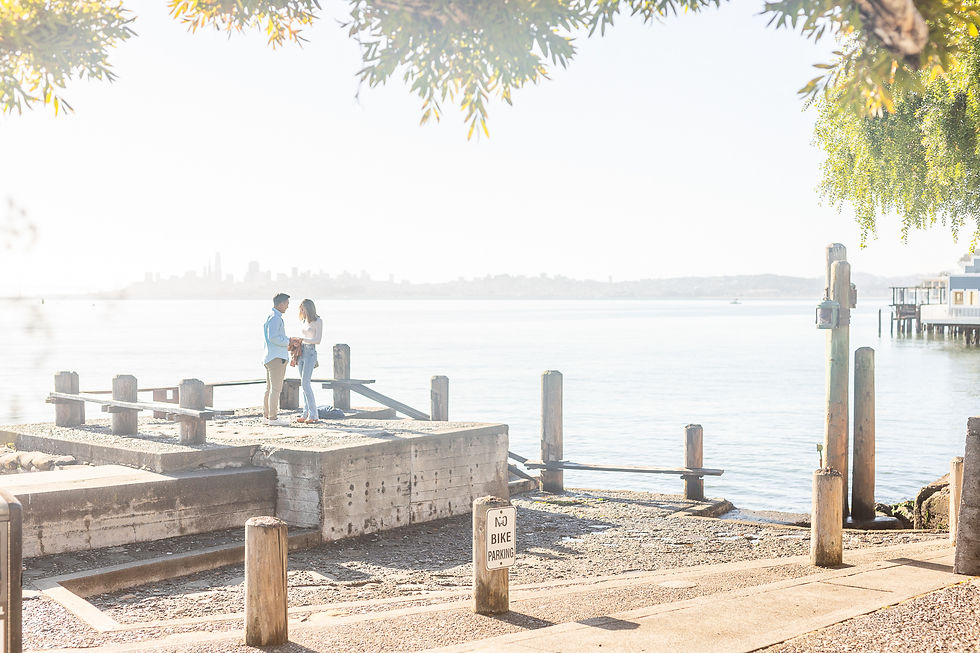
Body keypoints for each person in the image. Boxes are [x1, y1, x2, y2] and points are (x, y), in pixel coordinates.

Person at [263, 292, 291, 426]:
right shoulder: (275, 318)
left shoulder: (271, 316)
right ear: (280, 304)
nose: (287, 306)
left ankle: (267, 416)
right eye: (286, 304)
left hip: (270, 356)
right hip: (276, 358)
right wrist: (289, 341)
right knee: (275, 389)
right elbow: (273, 337)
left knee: (269, 389)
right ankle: (273, 418)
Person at [296, 298, 323, 423]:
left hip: (310, 352)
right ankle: (305, 413)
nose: (301, 311)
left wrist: (302, 340)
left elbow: (317, 340)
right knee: (303, 384)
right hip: (301, 352)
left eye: (303, 308)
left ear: (308, 308)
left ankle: (314, 415)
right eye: (300, 309)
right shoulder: (303, 320)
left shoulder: (318, 320)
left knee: (306, 383)